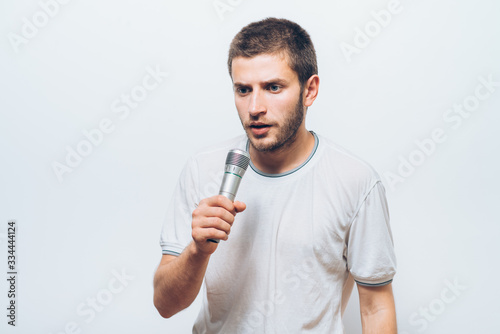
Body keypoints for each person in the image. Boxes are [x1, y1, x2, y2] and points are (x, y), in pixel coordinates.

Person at [154, 17, 397, 333]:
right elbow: (165, 305)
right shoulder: (204, 169)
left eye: (272, 87)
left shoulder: (356, 181)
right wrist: (198, 251)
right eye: (243, 90)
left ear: (309, 90)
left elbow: (376, 307)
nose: (255, 107)